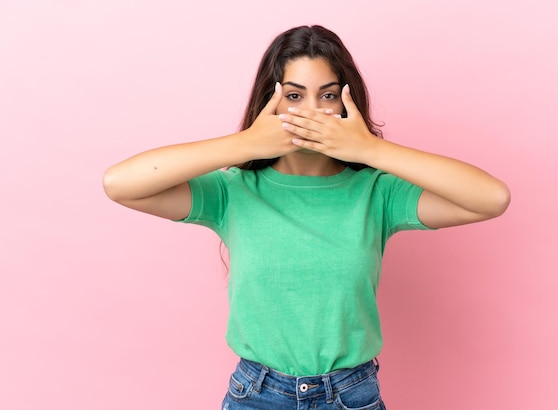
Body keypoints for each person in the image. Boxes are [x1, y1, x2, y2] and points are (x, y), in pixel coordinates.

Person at [103, 25, 510, 410]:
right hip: (257, 393)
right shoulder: (233, 192)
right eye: (294, 96)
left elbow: (491, 198)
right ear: (270, 101)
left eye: (328, 96)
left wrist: (369, 150)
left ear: (347, 102)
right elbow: (120, 183)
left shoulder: (377, 193)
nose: (311, 112)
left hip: (351, 395)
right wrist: (245, 143)